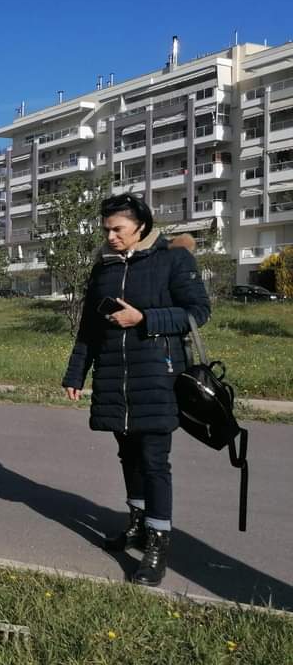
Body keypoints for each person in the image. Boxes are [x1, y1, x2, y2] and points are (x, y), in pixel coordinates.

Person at [63, 193, 209, 587]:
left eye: (118, 229)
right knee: (127, 455)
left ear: (140, 226)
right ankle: (138, 523)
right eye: (106, 229)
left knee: (154, 461)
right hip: (114, 377)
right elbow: (89, 330)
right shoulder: (104, 268)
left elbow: (197, 312)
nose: (111, 236)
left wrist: (145, 318)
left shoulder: (173, 260)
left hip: (158, 376)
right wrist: (76, 374)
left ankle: (158, 542)